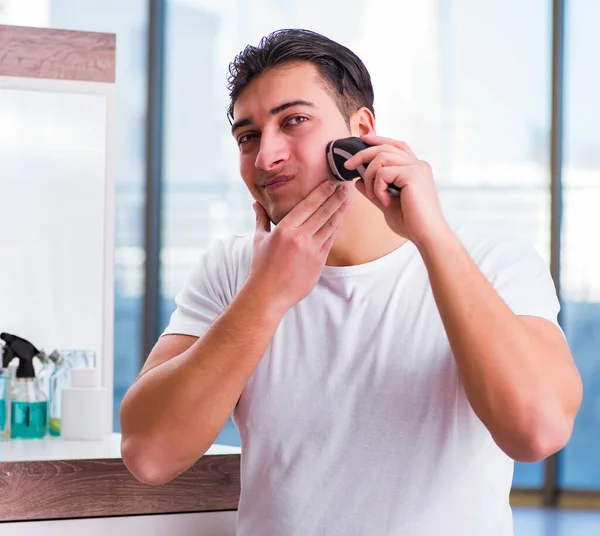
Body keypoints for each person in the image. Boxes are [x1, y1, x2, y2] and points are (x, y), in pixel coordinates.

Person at [120, 28, 582, 535]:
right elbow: (150, 454)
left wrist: (432, 239)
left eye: (294, 121)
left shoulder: (492, 262)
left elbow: (536, 432)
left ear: (358, 129)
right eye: (247, 136)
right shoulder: (233, 270)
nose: (265, 156)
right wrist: (266, 296)